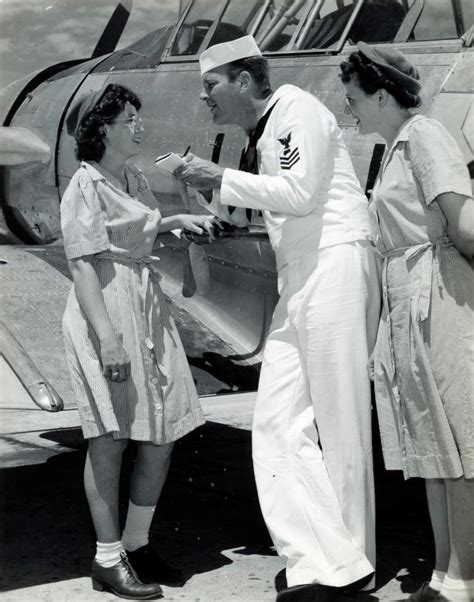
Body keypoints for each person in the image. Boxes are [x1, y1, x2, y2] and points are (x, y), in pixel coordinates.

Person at [175, 35, 381, 602]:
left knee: (339, 425)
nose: (204, 98)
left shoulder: (294, 110)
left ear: (244, 80)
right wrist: (212, 202)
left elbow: (296, 191)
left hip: (335, 264)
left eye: (210, 86)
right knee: (275, 424)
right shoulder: (264, 130)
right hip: (302, 279)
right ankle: (318, 559)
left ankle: (352, 564)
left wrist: (216, 177)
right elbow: (272, 201)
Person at [61, 83, 215, 599]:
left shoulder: (129, 176)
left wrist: (179, 220)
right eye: (130, 118)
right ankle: (108, 558)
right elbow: (82, 265)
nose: (139, 126)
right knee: (110, 437)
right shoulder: (83, 185)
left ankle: (137, 543)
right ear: (103, 128)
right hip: (106, 305)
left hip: (144, 302)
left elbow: (141, 232)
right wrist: (108, 340)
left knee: (163, 433)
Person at [340, 43, 474, 602]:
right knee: (434, 446)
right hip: (409, 296)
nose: (348, 109)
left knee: (462, 444)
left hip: (440, 293)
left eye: (352, 98)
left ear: (380, 92)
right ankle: (442, 573)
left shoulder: (423, 137)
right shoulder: (396, 147)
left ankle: (464, 578)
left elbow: (465, 225)